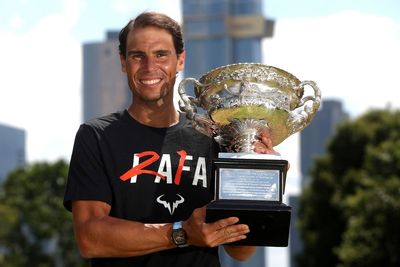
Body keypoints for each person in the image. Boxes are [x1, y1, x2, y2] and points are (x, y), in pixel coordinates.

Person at [64, 11, 277, 266]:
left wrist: (255, 175)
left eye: (161, 55)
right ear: (123, 62)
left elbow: (241, 251)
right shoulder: (97, 137)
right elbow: (90, 238)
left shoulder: (213, 137)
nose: (149, 67)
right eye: (137, 56)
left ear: (180, 60)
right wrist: (181, 232)